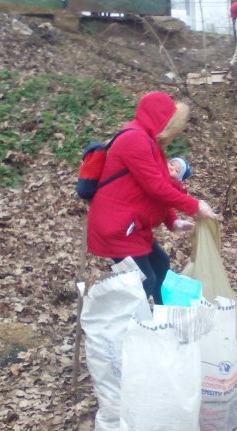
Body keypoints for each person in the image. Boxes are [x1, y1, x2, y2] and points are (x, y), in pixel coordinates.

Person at [87, 91, 217, 305]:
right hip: (118, 228)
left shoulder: (147, 141)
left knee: (161, 268)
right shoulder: (134, 140)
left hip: (132, 226)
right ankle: (119, 330)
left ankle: (161, 322)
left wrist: (172, 220)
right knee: (142, 282)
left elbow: (158, 186)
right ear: (160, 118)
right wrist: (194, 206)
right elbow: (155, 187)